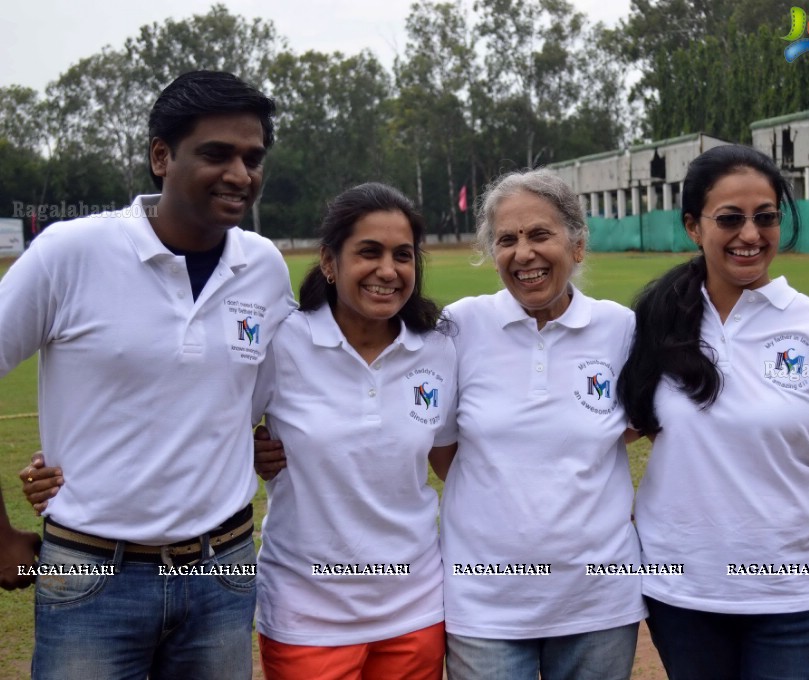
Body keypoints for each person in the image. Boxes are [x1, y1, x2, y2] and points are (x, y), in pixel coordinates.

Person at [0, 70, 293, 679]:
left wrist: (266, 446)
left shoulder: (263, 266)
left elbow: (265, 397)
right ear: (162, 156)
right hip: (89, 571)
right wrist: (1, 535)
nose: (240, 174)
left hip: (225, 569)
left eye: (253, 157)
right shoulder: (69, 252)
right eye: (217, 154)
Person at [618, 144, 809, 680]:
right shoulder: (653, 322)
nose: (750, 234)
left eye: (765, 218)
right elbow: (617, 428)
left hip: (793, 596)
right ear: (694, 227)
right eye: (730, 219)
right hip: (681, 591)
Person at [431, 168, 645, 680]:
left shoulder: (620, 328)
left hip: (598, 600)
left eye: (540, 235)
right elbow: (442, 452)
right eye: (507, 239)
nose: (523, 253)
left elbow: (635, 427)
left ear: (577, 245)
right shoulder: (460, 325)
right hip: (485, 601)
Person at [251, 183, 456, 679]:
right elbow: (212, 427)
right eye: (369, 252)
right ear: (329, 261)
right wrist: (250, 450)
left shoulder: (439, 350)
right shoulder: (281, 343)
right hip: (307, 612)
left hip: (416, 606)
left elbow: (454, 463)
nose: (388, 270)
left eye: (402, 255)